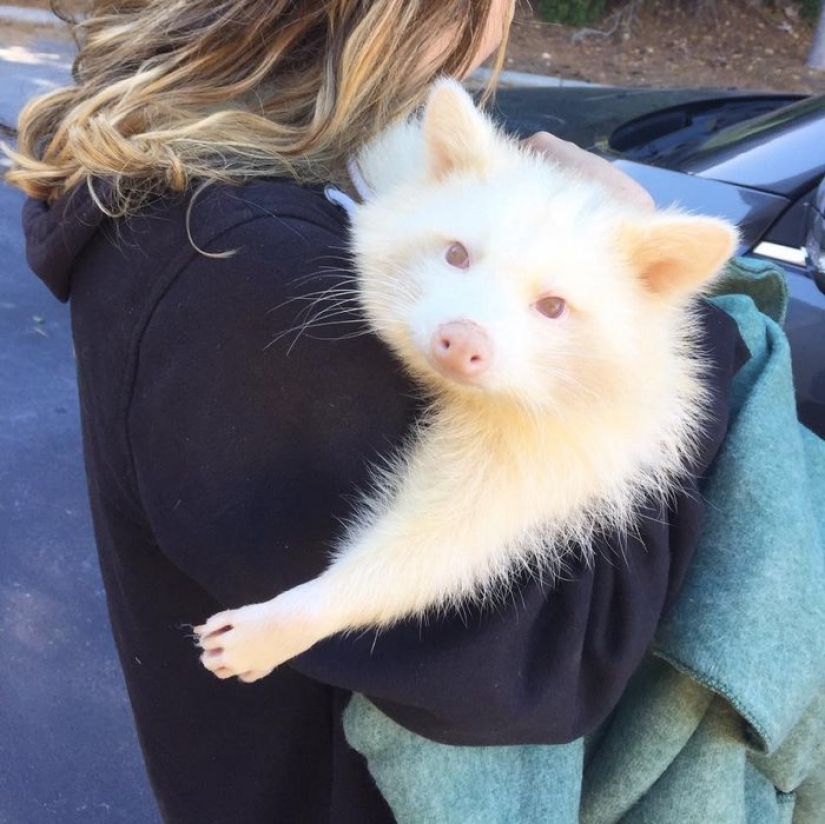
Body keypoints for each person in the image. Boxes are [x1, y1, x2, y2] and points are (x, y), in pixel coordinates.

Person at [6, 1, 747, 822]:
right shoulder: (250, 278)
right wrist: (697, 334)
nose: (500, 29)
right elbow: (538, 664)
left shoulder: (223, 192)